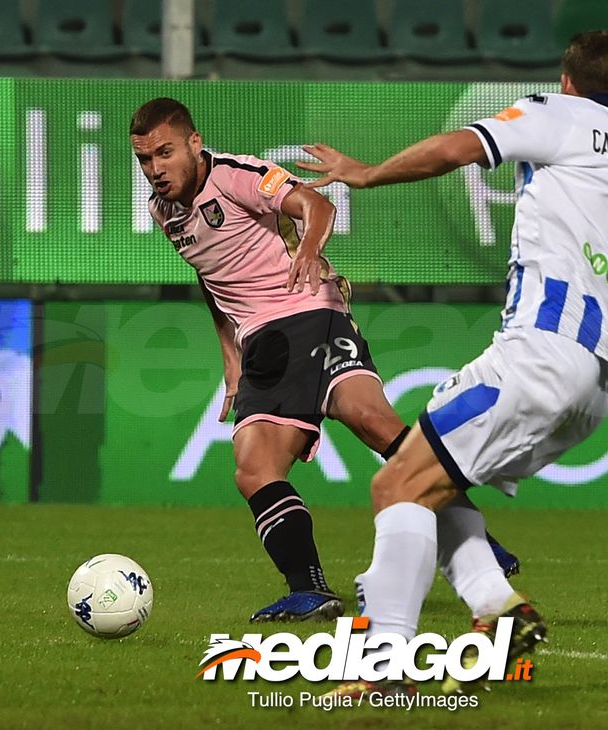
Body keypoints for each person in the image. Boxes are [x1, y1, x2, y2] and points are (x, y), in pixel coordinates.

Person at [298, 30, 608, 695]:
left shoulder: (554, 112)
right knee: (428, 481)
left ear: (569, 83)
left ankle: (383, 670)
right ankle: (497, 607)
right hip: (596, 393)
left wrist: (365, 174)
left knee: (394, 488)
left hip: (541, 353)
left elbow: (459, 148)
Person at [129, 98, 522, 623]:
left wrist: (310, 249)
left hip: (300, 316)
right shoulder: (165, 210)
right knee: (375, 423)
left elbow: (319, 206)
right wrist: (230, 355)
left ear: (194, 143)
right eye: (144, 160)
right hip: (285, 331)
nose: (155, 170)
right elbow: (212, 275)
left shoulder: (237, 175)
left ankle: (309, 587)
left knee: (256, 468)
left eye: (164, 153)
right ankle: (477, 544)